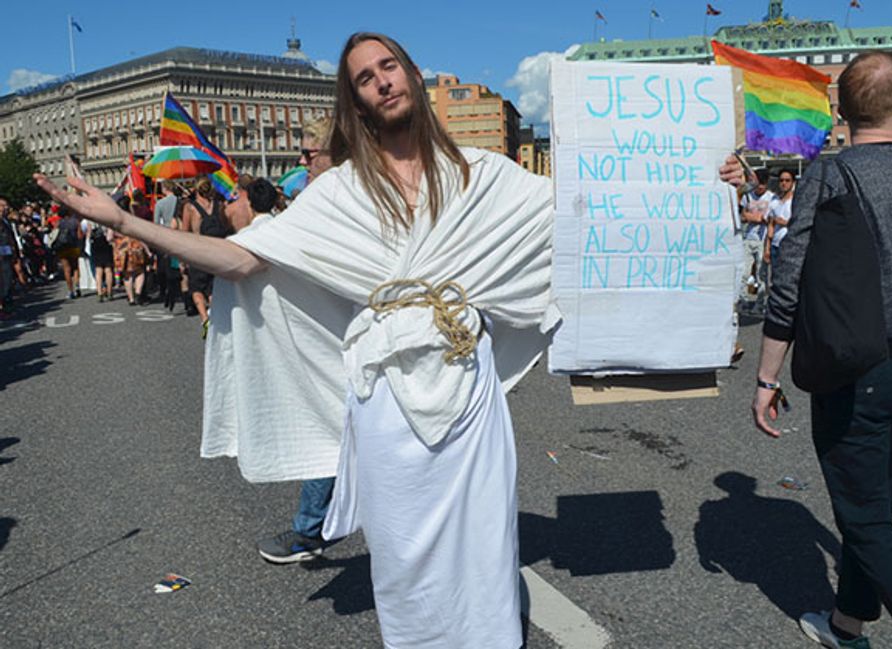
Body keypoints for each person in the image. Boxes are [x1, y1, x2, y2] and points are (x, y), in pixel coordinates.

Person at [36, 32, 553, 649]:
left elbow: (576, 220)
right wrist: (126, 221)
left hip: (469, 392)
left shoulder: (485, 176)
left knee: (485, 541)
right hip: (387, 401)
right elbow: (241, 259)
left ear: (413, 75)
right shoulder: (340, 192)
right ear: (356, 103)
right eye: (365, 78)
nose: (382, 81)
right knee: (402, 553)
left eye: (389, 66)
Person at [750, 51, 892, 649]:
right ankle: (848, 622)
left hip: (853, 368)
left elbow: (789, 281)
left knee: (869, 522)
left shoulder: (828, 176)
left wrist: (767, 378)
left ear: (840, 112)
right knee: (873, 503)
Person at [251, 117, 340, 565]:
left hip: (347, 337)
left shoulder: (338, 198)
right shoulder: (316, 197)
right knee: (342, 431)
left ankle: (310, 530)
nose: (302, 160)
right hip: (329, 332)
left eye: (310, 153)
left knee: (335, 431)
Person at [180, 177, 230, 337]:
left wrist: (183, 259)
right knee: (212, 287)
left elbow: (185, 232)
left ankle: (205, 319)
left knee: (196, 288)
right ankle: (215, 316)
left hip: (198, 252)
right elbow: (225, 226)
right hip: (216, 251)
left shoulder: (190, 207)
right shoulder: (219, 205)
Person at [738, 168, 772, 314]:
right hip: (747, 238)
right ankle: (743, 302)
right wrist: (754, 217)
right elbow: (742, 215)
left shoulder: (771, 198)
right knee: (744, 273)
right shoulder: (748, 196)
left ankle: (760, 304)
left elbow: (769, 218)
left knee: (761, 274)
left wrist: (751, 216)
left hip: (762, 240)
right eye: (758, 183)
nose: (760, 187)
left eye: (763, 184)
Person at [112, 196, 150, 306]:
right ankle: (138, 293)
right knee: (139, 271)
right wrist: (147, 250)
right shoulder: (132, 218)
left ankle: (131, 298)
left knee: (127, 275)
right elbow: (139, 235)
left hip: (122, 249)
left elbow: (109, 237)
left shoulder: (114, 220)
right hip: (135, 246)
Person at [765, 168, 794, 270]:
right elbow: (771, 225)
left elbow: (800, 223)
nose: (784, 183)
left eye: (787, 180)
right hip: (775, 245)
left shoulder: (796, 201)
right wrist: (767, 249)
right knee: (774, 276)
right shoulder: (774, 201)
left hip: (790, 246)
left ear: (793, 183)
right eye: (781, 180)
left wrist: (785, 222)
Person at [53, 207, 84, 299]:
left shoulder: (58, 223)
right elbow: (80, 236)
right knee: (75, 267)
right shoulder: (75, 222)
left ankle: (70, 291)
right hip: (73, 246)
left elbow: (54, 235)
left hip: (62, 247)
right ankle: (77, 286)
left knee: (67, 269)